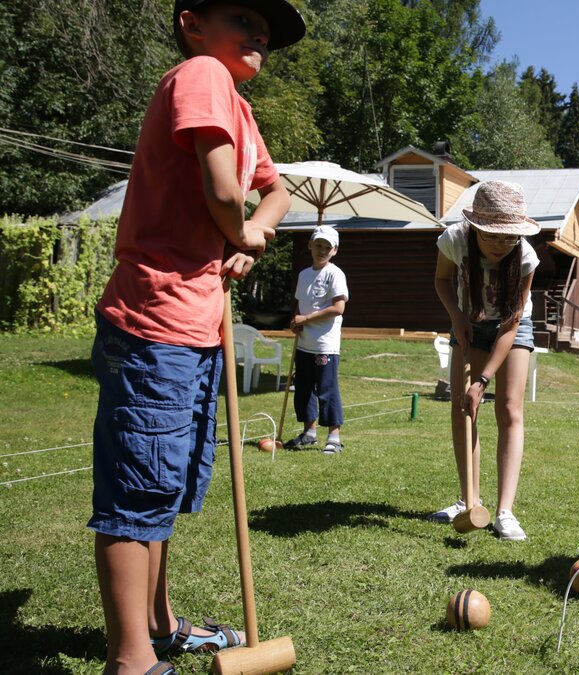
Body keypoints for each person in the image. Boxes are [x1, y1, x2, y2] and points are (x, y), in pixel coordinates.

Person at [88, 1, 303, 672]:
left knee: (161, 484)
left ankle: (159, 624)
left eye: (267, 30)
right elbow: (221, 187)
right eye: (244, 14)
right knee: (138, 489)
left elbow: (278, 189)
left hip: (190, 325)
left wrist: (252, 236)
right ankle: (132, 661)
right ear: (192, 24)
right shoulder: (204, 74)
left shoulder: (236, 106)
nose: (260, 34)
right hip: (155, 321)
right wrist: (241, 230)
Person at [428, 181, 540, 541]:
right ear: (476, 226)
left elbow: (512, 322)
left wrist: (484, 379)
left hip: (511, 329)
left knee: (509, 409)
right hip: (468, 322)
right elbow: (442, 281)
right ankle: (468, 500)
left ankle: (505, 511)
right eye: (493, 236)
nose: (500, 244)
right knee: (465, 409)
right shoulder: (454, 240)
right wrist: (457, 317)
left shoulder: (524, 257)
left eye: (508, 238)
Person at [283, 225, 349, 454]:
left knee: (326, 389)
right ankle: (309, 432)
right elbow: (301, 305)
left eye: (327, 247)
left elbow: (338, 308)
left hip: (325, 344)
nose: (322, 250)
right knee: (303, 389)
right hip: (304, 343)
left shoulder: (335, 273)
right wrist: (297, 323)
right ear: (310, 245)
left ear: (334, 250)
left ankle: (334, 437)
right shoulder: (304, 275)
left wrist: (307, 318)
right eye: (318, 245)